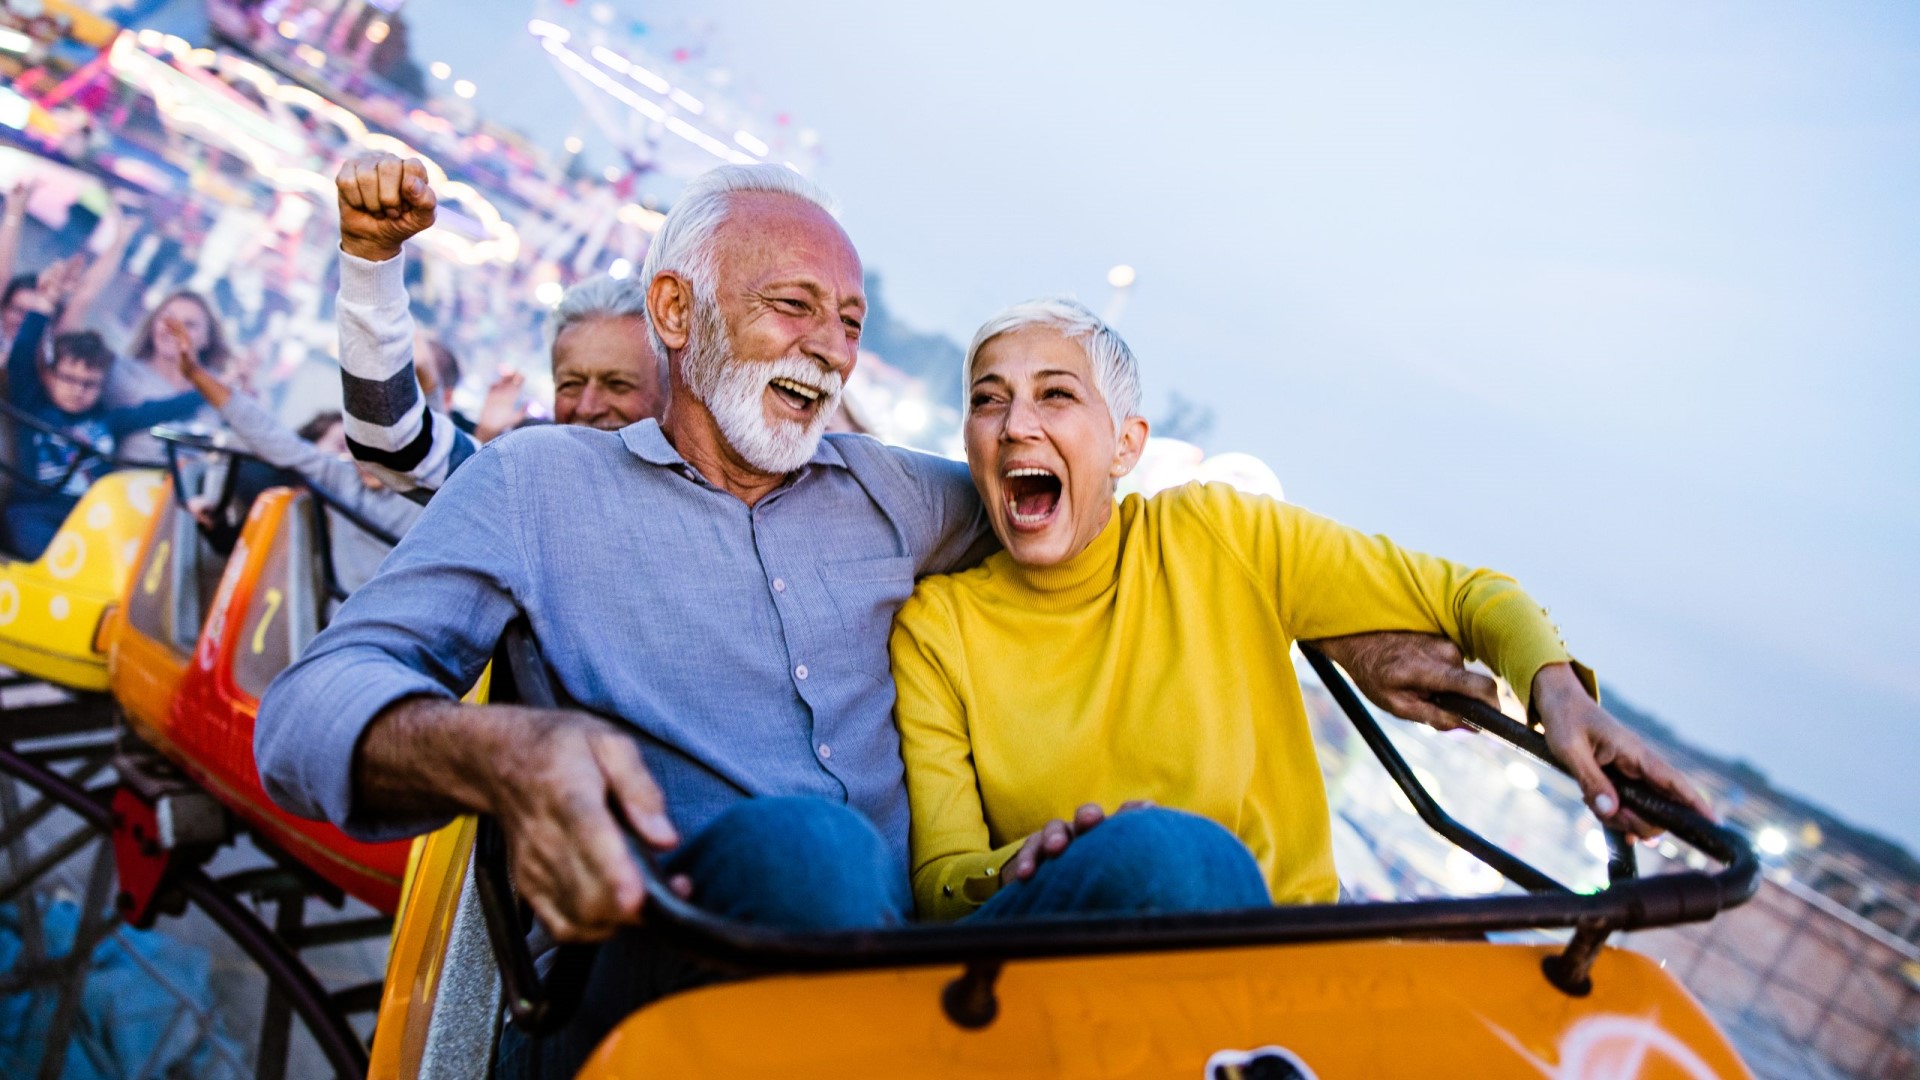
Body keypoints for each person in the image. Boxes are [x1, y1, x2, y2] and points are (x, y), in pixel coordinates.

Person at [259, 155, 1600, 1077]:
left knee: (1179, 867)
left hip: (931, 970)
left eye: (847, 322)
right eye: (794, 308)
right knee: (807, 852)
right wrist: (502, 754)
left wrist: (1346, 624)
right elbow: (313, 709)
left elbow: (1081, 523)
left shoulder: (898, 497)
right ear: (674, 311)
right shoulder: (541, 485)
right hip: (686, 960)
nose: (833, 351)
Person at [891, 299, 1712, 922]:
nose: (1015, 426)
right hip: (1067, 971)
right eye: (989, 400)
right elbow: (941, 883)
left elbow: (1468, 596)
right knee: (1161, 857)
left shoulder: (1218, 534)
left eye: (1055, 395)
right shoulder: (938, 630)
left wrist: (1559, 697)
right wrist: (1026, 866)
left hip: (1287, 956)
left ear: (1127, 447)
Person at [338, 230, 664, 492]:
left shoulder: (696, 507)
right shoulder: (521, 483)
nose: (588, 406)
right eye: (571, 384)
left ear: (668, 393)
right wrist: (369, 256)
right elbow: (391, 446)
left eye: (618, 384)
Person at [166, 318, 421, 592]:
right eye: (358, 442)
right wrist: (196, 374)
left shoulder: (424, 497)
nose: (365, 457)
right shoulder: (342, 479)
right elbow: (268, 434)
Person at [2, 268, 202, 557]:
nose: (77, 390)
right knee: (34, 537)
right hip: (36, 511)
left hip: (92, 517)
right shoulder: (34, 405)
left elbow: (159, 410)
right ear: (51, 376)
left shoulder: (106, 422)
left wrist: (212, 390)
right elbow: (22, 356)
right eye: (69, 379)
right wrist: (45, 304)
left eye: (89, 384)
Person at [108, 290, 232, 463]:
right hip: (126, 483)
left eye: (189, 324)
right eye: (167, 319)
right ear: (153, 324)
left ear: (207, 338)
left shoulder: (224, 387)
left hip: (193, 486)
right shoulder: (122, 373)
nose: (174, 330)